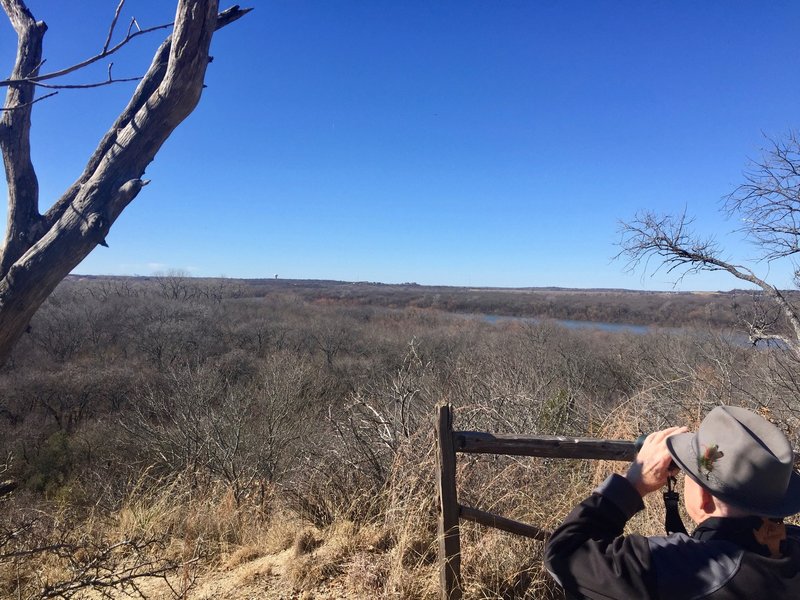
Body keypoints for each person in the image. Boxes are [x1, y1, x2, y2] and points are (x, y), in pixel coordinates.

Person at [544, 405, 800, 599]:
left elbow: (564, 555)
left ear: (704, 498)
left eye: (689, 472)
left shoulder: (682, 567)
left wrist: (634, 483)